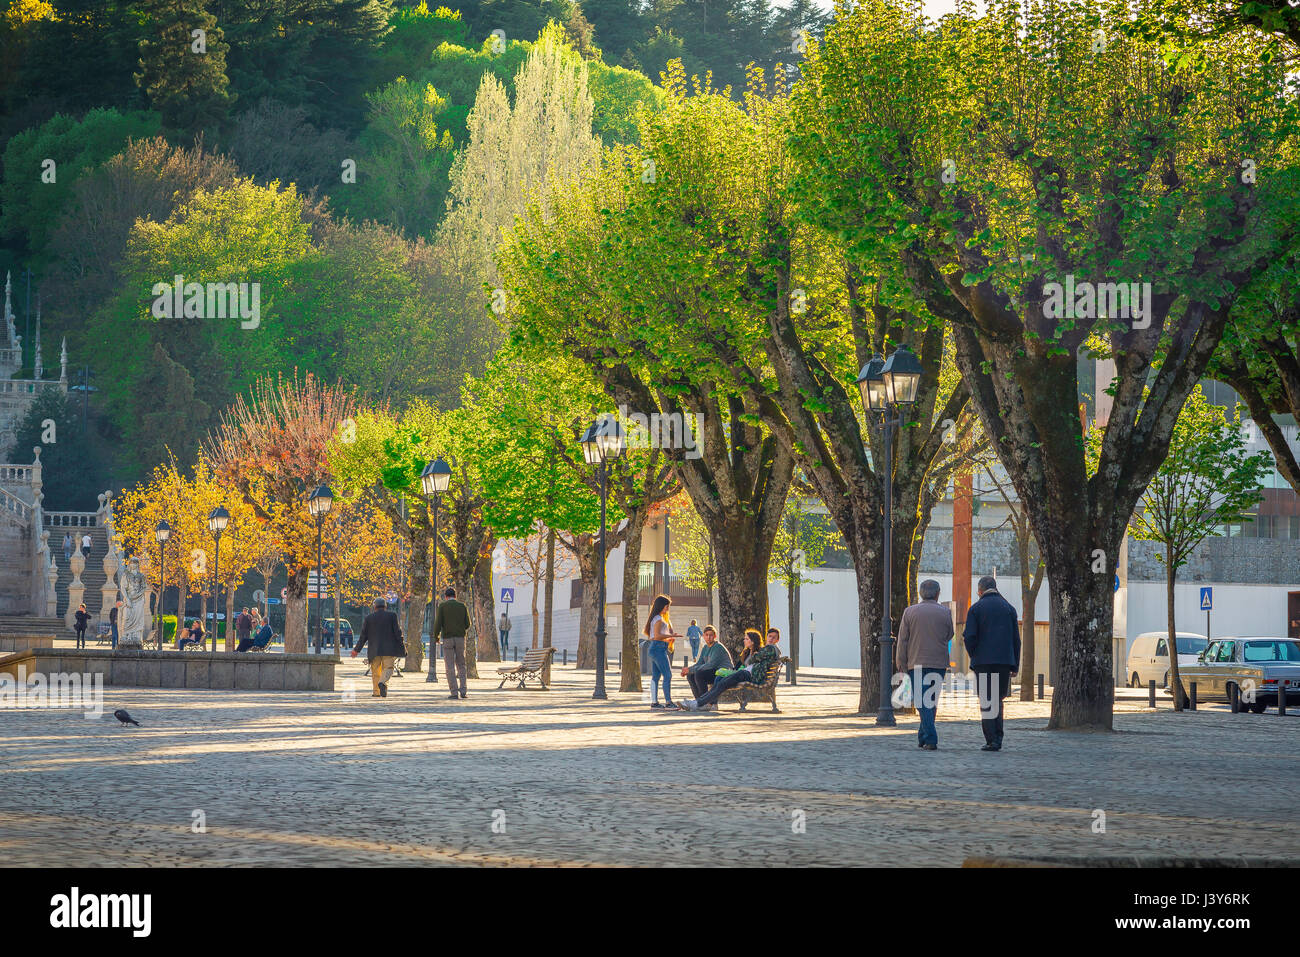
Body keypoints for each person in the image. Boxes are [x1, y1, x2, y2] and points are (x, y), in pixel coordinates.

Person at [963, 575, 1020, 752]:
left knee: (987, 700)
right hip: (1004, 661)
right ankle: (998, 737)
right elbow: (1016, 640)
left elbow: (969, 636)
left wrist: (975, 655)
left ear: (980, 590)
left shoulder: (976, 609)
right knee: (998, 699)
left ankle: (991, 739)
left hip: (983, 662)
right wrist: (1014, 664)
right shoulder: (1009, 609)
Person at [896, 579, 954, 750]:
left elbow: (903, 640)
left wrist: (901, 662)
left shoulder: (909, 612)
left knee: (922, 701)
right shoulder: (945, 612)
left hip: (916, 661)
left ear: (921, 593)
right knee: (931, 701)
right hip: (938, 662)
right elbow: (949, 634)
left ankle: (930, 738)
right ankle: (923, 736)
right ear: (938, 594)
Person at [678, 628, 781, 711]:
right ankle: (702, 703)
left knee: (720, 683)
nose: (771, 639)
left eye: (774, 637)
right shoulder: (757, 651)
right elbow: (747, 662)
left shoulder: (770, 648)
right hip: (744, 673)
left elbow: (755, 658)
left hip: (748, 675)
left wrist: (756, 655)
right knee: (720, 682)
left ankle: (698, 703)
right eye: (769, 636)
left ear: (777, 640)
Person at [351, 597, 405, 697]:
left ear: (374, 607)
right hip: (389, 650)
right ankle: (383, 682)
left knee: (375, 671)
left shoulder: (369, 618)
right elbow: (398, 633)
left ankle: (376, 692)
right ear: (385, 606)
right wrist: (402, 646)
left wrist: (356, 650)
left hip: (374, 650)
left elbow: (363, 636)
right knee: (388, 668)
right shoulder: (392, 616)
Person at [431, 586, 472, 699]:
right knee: (461, 665)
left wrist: (436, 636)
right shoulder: (462, 606)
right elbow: (468, 624)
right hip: (460, 639)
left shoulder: (443, 606)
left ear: (446, 596)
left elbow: (438, 623)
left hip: (448, 639)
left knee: (449, 666)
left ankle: (454, 692)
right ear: (455, 596)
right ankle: (463, 690)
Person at [644, 594, 682, 709]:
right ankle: (669, 702)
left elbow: (655, 636)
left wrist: (668, 638)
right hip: (658, 648)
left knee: (656, 676)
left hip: (657, 647)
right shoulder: (659, 619)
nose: (667, 609)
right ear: (661, 606)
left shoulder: (656, 618)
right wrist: (670, 635)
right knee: (668, 675)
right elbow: (656, 636)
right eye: (666, 607)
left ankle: (654, 702)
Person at [680, 624, 732, 704]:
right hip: (715, 672)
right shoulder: (705, 648)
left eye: (711, 635)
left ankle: (705, 703)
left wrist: (690, 669)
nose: (708, 637)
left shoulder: (718, 647)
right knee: (690, 675)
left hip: (723, 673)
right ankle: (698, 701)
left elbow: (711, 665)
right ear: (703, 636)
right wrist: (688, 670)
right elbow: (700, 663)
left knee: (699, 674)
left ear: (715, 636)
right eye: (706, 635)